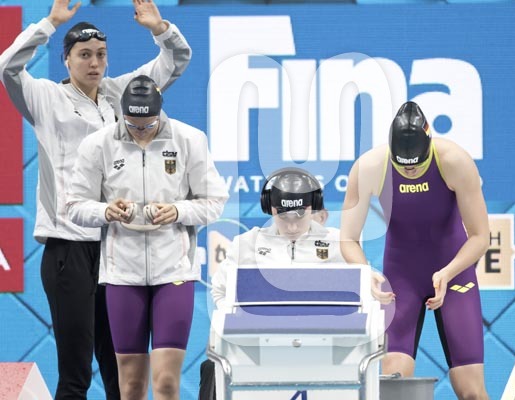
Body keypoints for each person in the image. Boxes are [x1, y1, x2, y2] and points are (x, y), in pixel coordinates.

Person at [0, 0, 192, 398]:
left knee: (122, 374)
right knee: (76, 374)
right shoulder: (46, 98)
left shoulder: (119, 95)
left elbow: (175, 61)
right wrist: (49, 23)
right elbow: (7, 68)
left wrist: (160, 29)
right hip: (68, 249)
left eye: (100, 54)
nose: (94, 63)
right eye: (84, 55)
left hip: (115, 251)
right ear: (66, 60)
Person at [67, 75, 229, 399]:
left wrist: (178, 211)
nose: (140, 131)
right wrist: (106, 211)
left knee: (166, 381)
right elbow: (74, 206)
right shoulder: (97, 145)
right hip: (123, 274)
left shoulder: (189, 140)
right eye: (132, 125)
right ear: (122, 114)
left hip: (173, 271)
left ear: (160, 113)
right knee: (131, 385)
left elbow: (214, 201)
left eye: (148, 125)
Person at [340, 101, 490, 399]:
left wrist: (448, 272)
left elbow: (479, 237)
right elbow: (347, 239)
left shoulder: (455, 161)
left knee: (471, 391)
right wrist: (365, 271)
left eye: (417, 165)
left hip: (454, 276)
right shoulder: (369, 167)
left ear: (429, 148)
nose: (410, 170)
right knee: (393, 386)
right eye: (403, 165)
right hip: (401, 279)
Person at [199, 168, 343, 400]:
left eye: (299, 217)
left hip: (320, 345)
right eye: (283, 218)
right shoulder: (247, 243)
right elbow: (220, 291)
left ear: (313, 207)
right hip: (257, 346)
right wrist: (241, 323)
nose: (292, 227)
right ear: (271, 208)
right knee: (212, 366)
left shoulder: (338, 242)